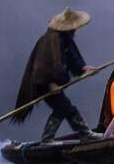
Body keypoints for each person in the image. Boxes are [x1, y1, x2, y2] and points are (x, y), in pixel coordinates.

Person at [13, 7, 105, 142]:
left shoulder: (65, 38)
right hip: (44, 83)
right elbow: (42, 67)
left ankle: (81, 134)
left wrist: (84, 68)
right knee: (65, 107)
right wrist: (51, 84)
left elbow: (73, 57)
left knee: (64, 108)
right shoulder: (50, 40)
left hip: (51, 83)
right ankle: (53, 138)